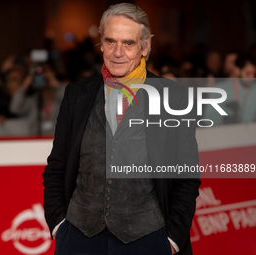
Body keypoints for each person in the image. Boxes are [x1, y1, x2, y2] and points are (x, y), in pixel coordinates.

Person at [43, 3, 200, 255]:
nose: (118, 52)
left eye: (128, 43)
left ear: (145, 46)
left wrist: (172, 239)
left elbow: (187, 176)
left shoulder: (174, 98)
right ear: (101, 44)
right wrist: (58, 225)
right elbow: (56, 166)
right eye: (110, 41)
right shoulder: (76, 95)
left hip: (148, 239)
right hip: (78, 238)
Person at [205, 55, 256, 125]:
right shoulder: (220, 89)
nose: (251, 77)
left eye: (254, 74)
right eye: (248, 73)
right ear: (237, 71)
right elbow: (208, 119)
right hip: (226, 133)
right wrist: (224, 121)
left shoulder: (254, 88)